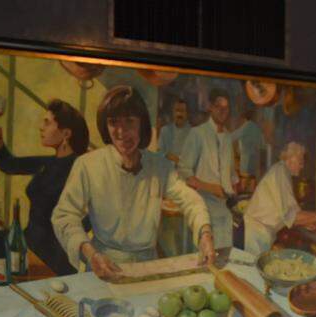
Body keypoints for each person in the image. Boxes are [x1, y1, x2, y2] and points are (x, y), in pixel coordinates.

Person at [51, 86, 214, 280]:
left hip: (148, 267)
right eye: (113, 123)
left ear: (142, 124)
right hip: (103, 266)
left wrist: (205, 234)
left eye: (129, 121)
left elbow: (191, 200)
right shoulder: (87, 165)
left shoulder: (160, 166)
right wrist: (91, 254)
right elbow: (64, 216)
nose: (121, 132)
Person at [0, 99, 89, 276]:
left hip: (55, 260)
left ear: (66, 133)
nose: (41, 127)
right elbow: (10, 165)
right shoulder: (48, 162)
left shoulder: (82, 168)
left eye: (47, 123)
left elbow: (91, 217)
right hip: (28, 249)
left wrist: (69, 236)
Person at [242, 142, 316, 256]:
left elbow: (289, 213)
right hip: (256, 233)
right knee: (255, 270)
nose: (302, 166)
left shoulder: (282, 171)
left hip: (260, 231)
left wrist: (306, 221)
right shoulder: (281, 172)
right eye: (300, 162)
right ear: (290, 158)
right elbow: (291, 216)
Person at [178, 89, 237, 253]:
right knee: (204, 261)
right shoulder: (198, 134)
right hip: (203, 209)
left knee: (224, 260)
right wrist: (211, 188)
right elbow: (184, 171)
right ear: (210, 107)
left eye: (226, 108)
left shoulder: (228, 137)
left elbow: (231, 175)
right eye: (219, 106)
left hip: (224, 212)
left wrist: (234, 188)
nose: (223, 111)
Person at [230, 106, 265, 190]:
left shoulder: (246, 126)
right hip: (255, 156)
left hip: (246, 156)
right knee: (252, 177)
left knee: (244, 177)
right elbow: (262, 143)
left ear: (244, 117)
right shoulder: (256, 128)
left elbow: (233, 137)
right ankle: (251, 196)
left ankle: (243, 194)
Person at [157, 98, 191, 164]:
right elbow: (159, 151)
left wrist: (179, 160)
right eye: (177, 110)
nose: (179, 114)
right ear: (173, 112)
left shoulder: (193, 133)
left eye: (182, 111)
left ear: (187, 113)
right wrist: (168, 156)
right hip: (166, 170)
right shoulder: (165, 130)